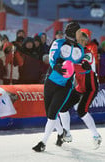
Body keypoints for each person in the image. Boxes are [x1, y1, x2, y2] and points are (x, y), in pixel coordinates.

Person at [32, 21, 85, 152]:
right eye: (79, 32)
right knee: (50, 113)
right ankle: (61, 133)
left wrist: (85, 67)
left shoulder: (80, 49)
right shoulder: (58, 43)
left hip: (65, 86)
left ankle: (43, 142)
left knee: (52, 113)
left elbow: (80, 65)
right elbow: (52, 56)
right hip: (50, 82)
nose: (81, 34)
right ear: (73, 32)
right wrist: (55, 65)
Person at [59, 29, 102, 149]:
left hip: (91, 87)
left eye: (81, 40)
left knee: (82, 111)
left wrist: (67, 64)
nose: (78, 42)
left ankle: (96, 136)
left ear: (85, 41)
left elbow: (83, 67)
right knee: (63, 108)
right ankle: (66, 133)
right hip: (80, 87)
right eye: (78, 40)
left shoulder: (88, 53)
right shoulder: (74, 53)